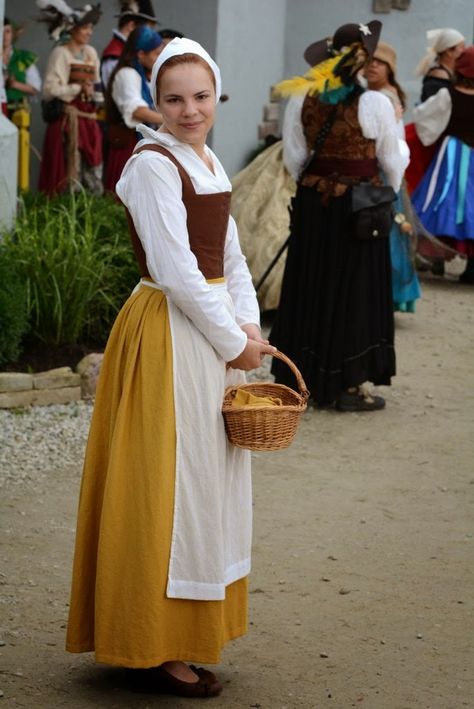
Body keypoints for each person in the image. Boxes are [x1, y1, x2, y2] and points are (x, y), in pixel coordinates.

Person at [65, 37, 275, 698]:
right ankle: (151, 640)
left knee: (207, 482)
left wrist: (249, 326)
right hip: (169, 332)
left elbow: (232, 257)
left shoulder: (207, 159)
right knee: (168, 481)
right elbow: (179, 272)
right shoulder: (153, 164)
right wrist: (229, 338)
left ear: (217, 97)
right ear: (155, 102)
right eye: (175, 98)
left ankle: (186, 629)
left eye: (201, 96)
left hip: (210, 331)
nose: (190, 110)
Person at [269, 21, 408, 412]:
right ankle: (344, 384)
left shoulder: (302, 98)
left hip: (315, 205)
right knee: (354, 289)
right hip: (359, 208)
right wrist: (387, 193)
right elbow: (392, 161)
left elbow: (294, 157)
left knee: (310, 282)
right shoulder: (377, 104)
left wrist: (317, 185)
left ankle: (302, 378)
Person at [365, 42, 421, 313]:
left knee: (386, 234)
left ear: (390, 69)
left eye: (380, 62)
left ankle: (386, 294)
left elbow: (392, 144)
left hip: (384, 174)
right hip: (384, 172)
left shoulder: (385, 97)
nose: (373, 65)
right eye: (370, 60)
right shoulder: (372, 94)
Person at [412, 46, 474, 284]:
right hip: (462, 155)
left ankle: (444, 256)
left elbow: (424, 119)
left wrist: (435, 136)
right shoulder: (447, 94)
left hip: (453, 155)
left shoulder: (447, 95)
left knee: (448, 203)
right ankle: (471, 267)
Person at [37, 1, 103, 195]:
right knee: (68, 175)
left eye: (91, 28)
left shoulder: (90, 52)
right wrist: (77, 87)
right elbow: (49, 90)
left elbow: (97, 85)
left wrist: (93, 94)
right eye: (84, 27)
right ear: (72, 28)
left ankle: (90, 215)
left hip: (88, 121)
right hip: (68, 122)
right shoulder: (61, 53)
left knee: (92, 174)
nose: (89, 32)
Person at [103, 25, 163, 193]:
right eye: (156, 54)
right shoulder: (127, 74)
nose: (159, 58)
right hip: (127, 145)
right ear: (141, 54)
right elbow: (137, 110)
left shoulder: (143, 75)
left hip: (139, 143)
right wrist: (171, 120)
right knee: (127, 196)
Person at [100, 0, 159, 91]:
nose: (151, 34)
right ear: (131, 26)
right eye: (148, 29)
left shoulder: (133, 52)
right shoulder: (114, 58)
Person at [2, 17, 41, 117]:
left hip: (17, 112)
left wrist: (14, 84)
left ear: (13, 34)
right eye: (0, 31)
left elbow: (34, 89)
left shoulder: (23, 58)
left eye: (7, 31)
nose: (4, 35)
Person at [416, 28, 465, 102]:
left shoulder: (451, 72)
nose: (464, 50)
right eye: (462, 47)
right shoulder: (437, 79)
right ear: (449, 51)